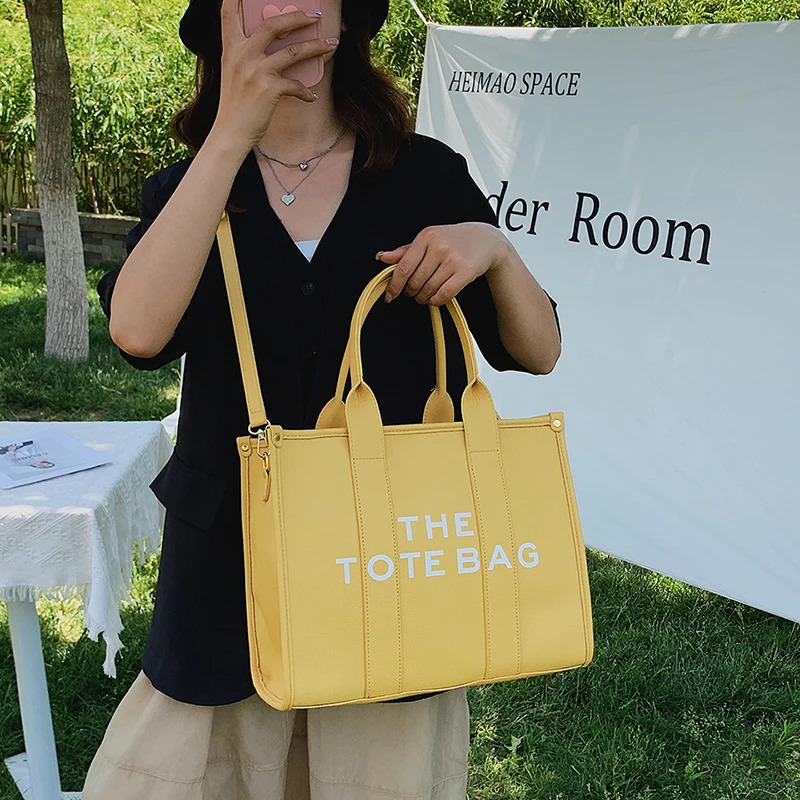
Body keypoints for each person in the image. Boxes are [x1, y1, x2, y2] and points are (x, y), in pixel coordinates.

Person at [82, 0, 562, 796]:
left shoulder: (425, 176)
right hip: (225, 582)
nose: (285, 11)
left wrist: (495, 251)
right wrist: (230, 134)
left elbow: (538, 351)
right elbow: (137, 332)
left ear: (346, 17)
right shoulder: (193, 187)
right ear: (222, 24)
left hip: (394, 565)